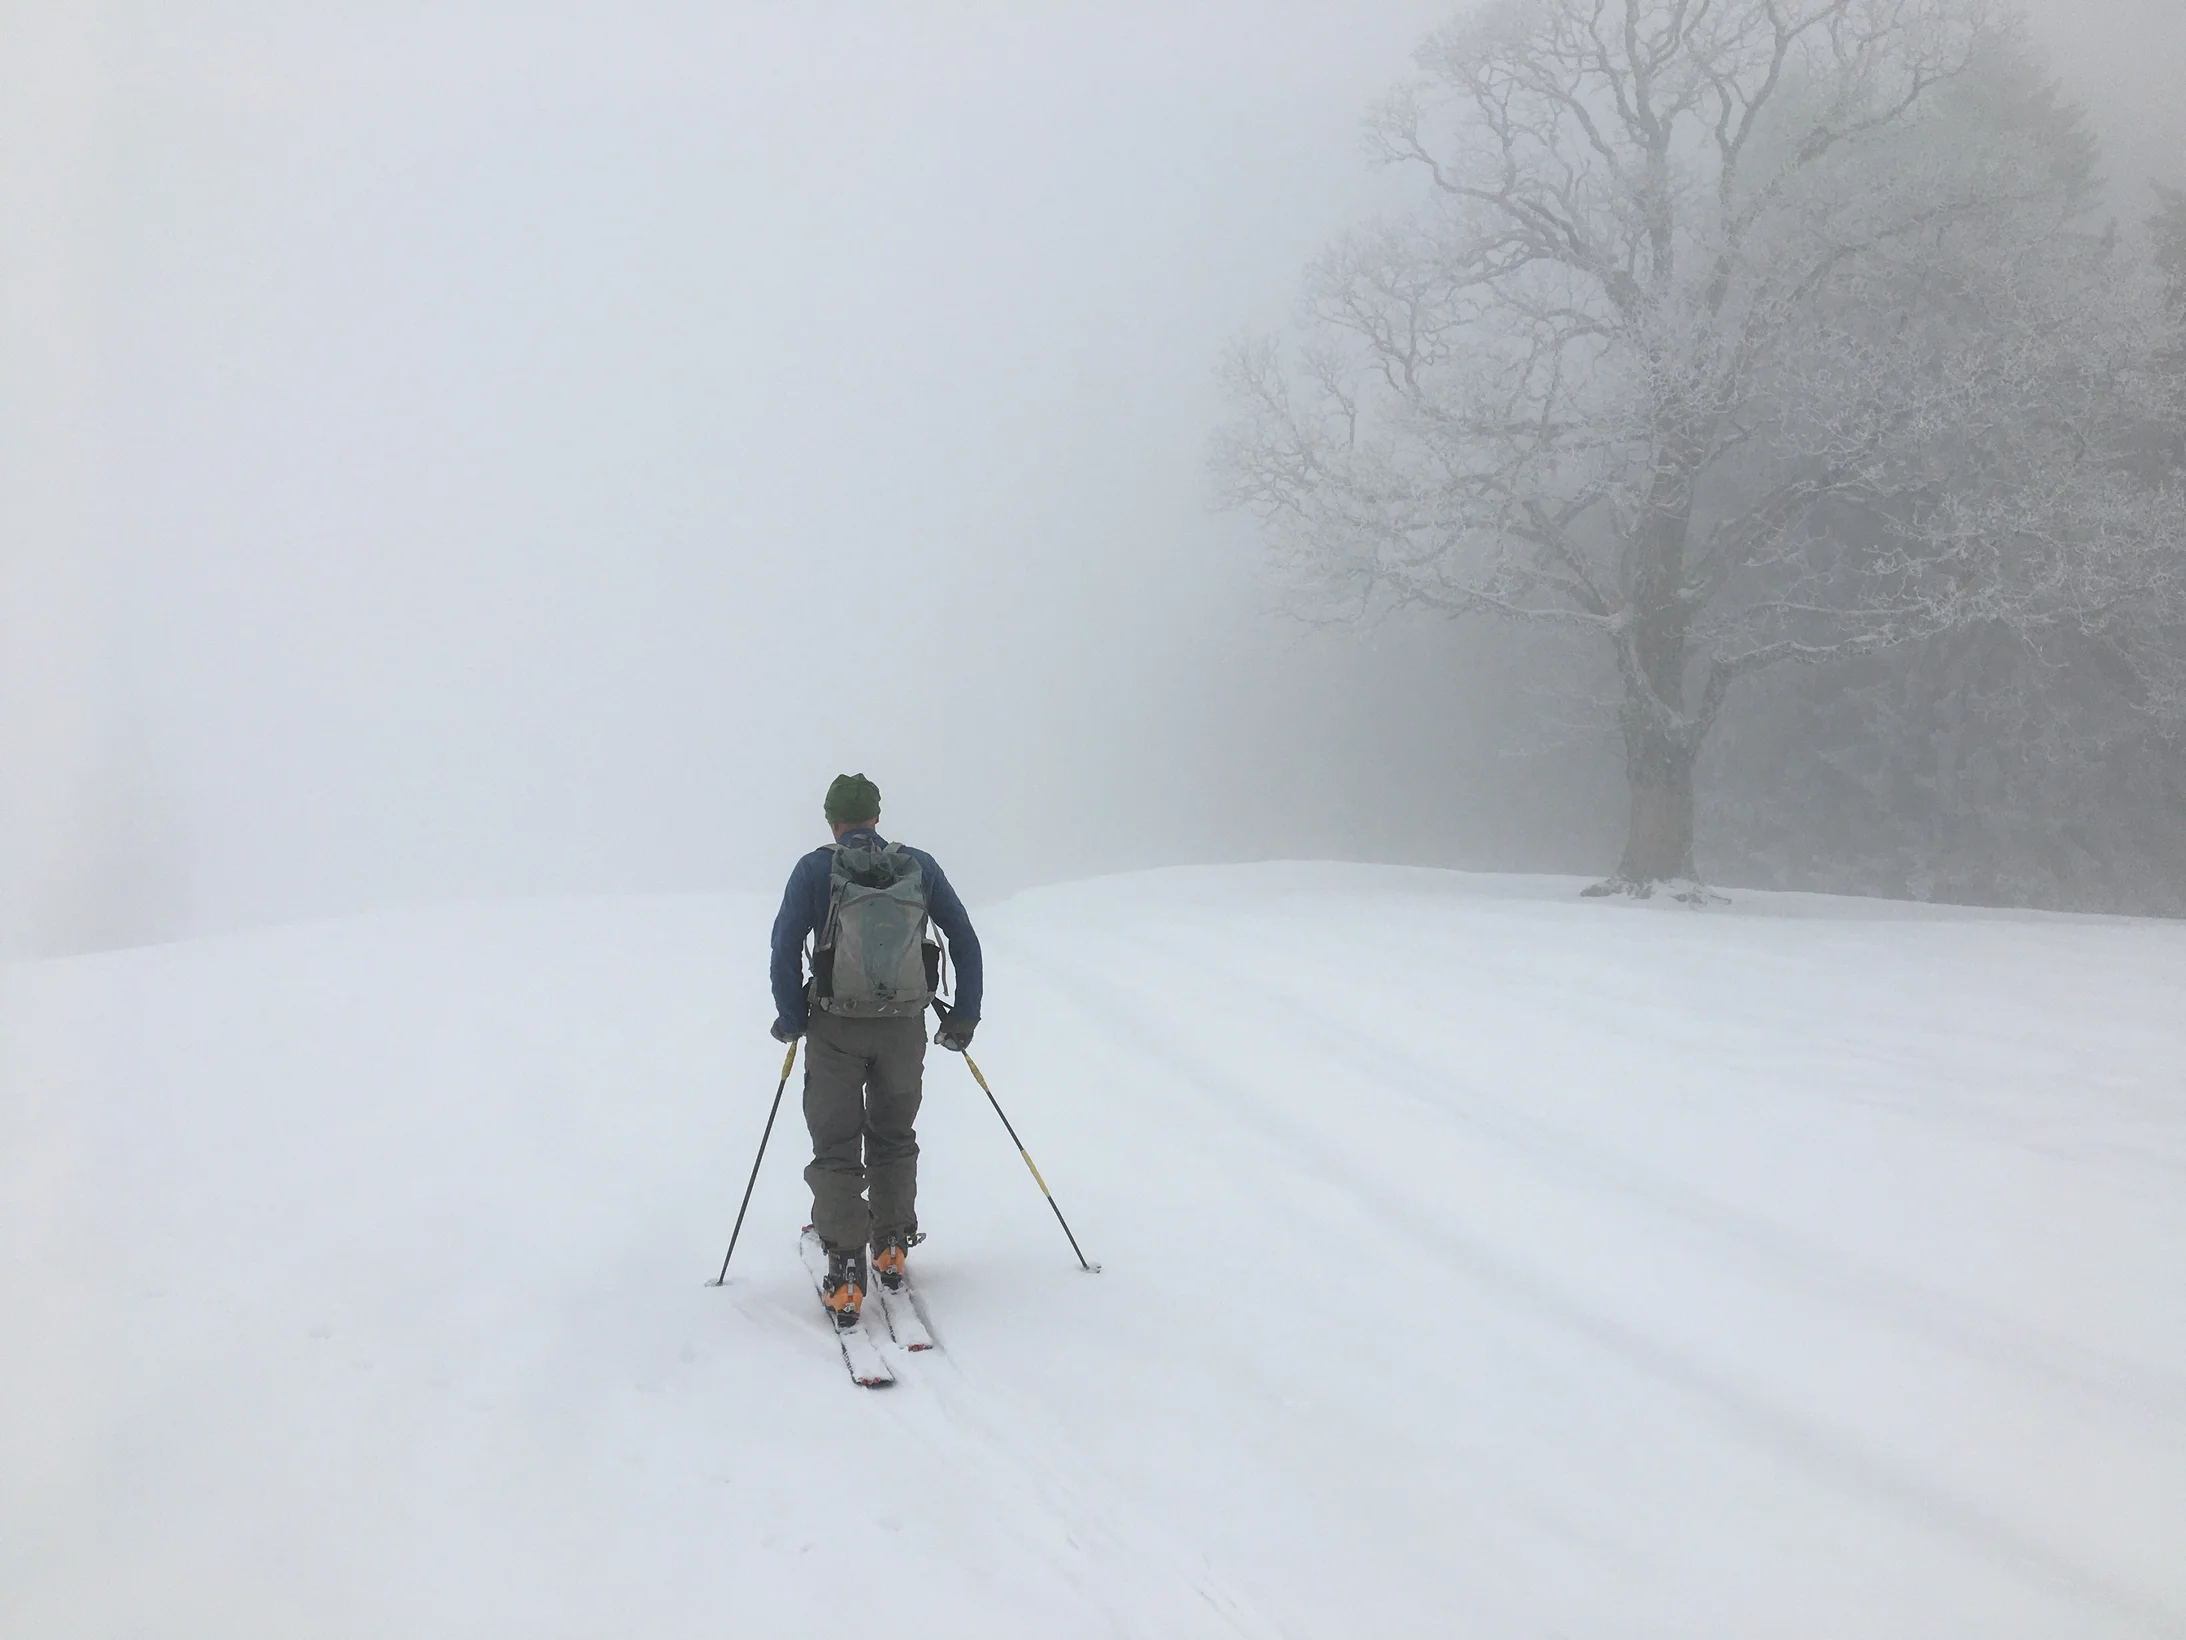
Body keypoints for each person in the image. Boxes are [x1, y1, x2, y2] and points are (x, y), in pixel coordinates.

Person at [769, 773, 981, 1327]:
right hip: (903, 1027)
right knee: (893, 1133)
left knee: (836, 1142)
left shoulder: (815, 869)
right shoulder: (918, 867)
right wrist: (964, 1015)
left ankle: (844, 1272)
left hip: (835, 1027)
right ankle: (890, 1245)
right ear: (877, 817)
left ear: (831, 819)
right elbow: (963, 938)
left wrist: (793, 1018)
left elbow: (785, 946)